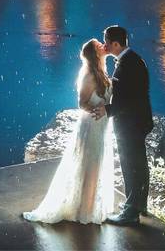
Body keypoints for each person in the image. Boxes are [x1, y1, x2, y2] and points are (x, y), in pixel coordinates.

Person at [22, 39, 115, 224]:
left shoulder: (102, 71)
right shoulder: (88, 74)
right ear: (95, 54)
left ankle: (89, 207)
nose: (102, 46)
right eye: (99, 46)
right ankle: (83, 210)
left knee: (96, 165)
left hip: (102, 125)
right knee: (88, 164)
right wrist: (98, 110)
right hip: (91, 125)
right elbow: (81, 103)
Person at [92, 25, 154, 226]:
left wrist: (107, 110)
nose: (104, 45)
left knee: (131, 166)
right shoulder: (135, 59)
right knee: (139, 165)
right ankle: (138, 204)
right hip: (139, 120)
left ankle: (131, 213)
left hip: (130, 124)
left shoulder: (126, 65)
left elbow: (127, 100)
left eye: (107, 42)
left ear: (116, 44)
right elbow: (135, 95)